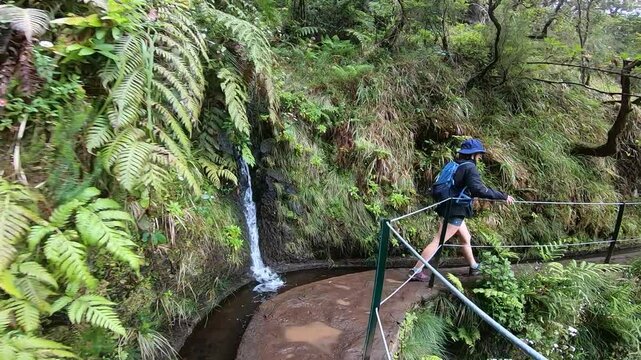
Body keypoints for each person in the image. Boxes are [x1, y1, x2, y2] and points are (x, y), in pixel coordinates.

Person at [409, 138, 514, 281]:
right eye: (479, 155)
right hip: (456, 209)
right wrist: (503, 196)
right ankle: (416, 270)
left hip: (449, 205)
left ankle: (474, 267)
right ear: (473, 154)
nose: (480, 157)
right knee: (438, 240)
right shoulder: (469, 168)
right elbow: (479, 190)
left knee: (466, 238)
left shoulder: (455, 164)